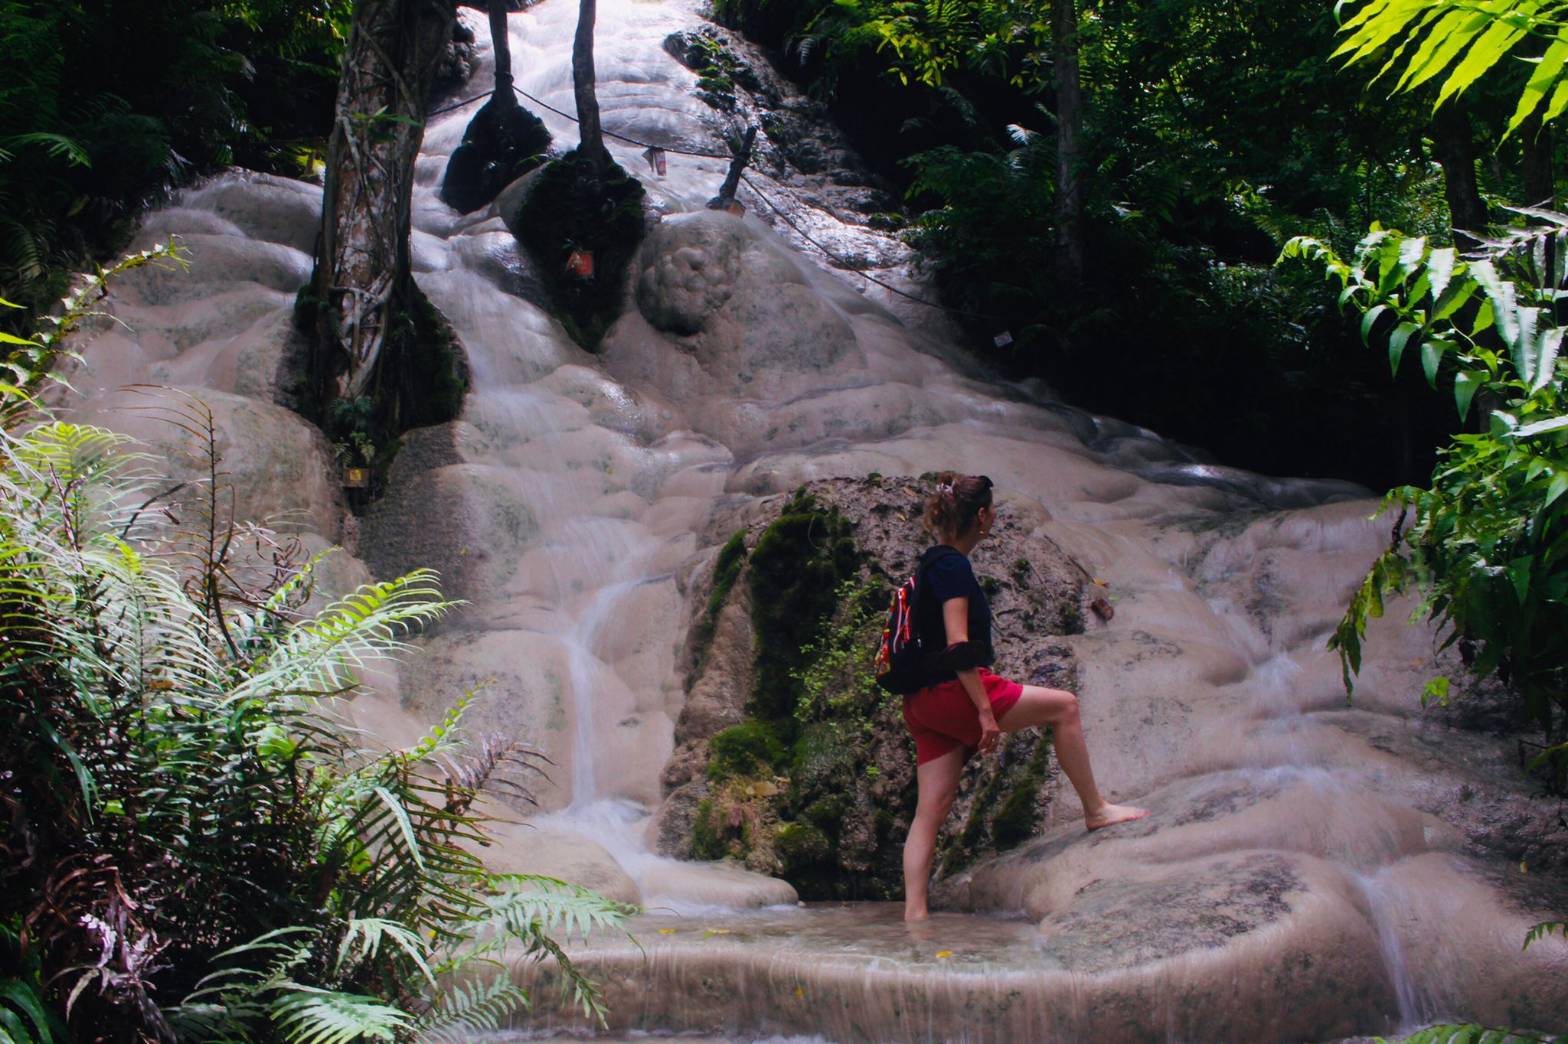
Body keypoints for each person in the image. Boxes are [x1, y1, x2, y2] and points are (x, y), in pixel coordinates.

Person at [901, 472, 1149, 921]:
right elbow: (958, 645)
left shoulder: (929, 564)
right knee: (1064, 707)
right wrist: (985, 712)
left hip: (921, 702)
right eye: (992, 510)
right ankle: (1096, 810)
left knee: (928, 813)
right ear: (982, 516)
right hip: (954, 691)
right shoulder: (954, 567)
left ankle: (914, 919)